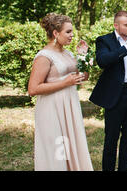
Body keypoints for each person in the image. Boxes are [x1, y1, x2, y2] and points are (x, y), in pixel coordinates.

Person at [28, 13, 93, 171]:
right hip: (52, 109)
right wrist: (65, 82)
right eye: (68, 32)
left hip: (70, 106)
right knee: (57, 149)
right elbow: (33, 89)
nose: (72, 35)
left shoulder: (68, 54)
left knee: (70, 144)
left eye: (72, 31)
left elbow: (82, 77)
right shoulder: (44, 57)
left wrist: (83, 57)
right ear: (56, 34)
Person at [89, 10, 127, 171]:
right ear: (116, 25)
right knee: (111, 139)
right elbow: (103, 61)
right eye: (126, 25)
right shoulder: (104, 41)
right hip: (115, 95)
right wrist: (126, 47)